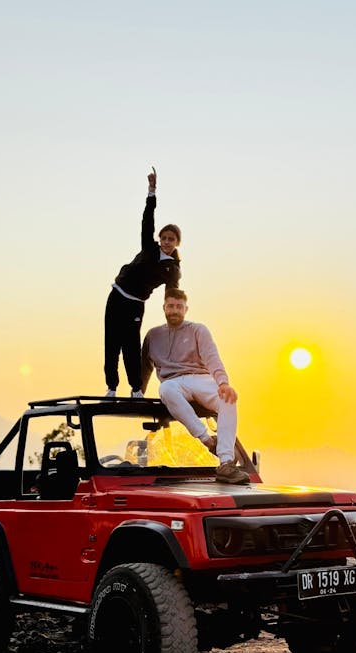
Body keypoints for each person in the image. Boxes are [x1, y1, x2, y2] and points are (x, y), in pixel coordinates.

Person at [141, 288, 250, 484]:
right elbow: (144, 368)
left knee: (228, 399)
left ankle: (226, 462)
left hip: (201, 378)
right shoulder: (152, 336)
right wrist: (138, 393)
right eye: (171, 306)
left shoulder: (198, 329)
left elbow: (212, 357)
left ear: (186, 309)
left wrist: (223, 383)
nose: (175, 310)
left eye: (179, 307)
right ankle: (208, 441)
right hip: (173, 382)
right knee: (165, 390)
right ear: (164, 308)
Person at [104, 168, 181, 398]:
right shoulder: (149, 248)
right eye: (164, 238)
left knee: (130, 345)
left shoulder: (173, 269)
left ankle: (136, 389)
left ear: (177, 242)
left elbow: (172, 293)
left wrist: (173, 316)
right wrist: (151, 191)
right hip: (117, 296)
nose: (166, 242)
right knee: (111, 344)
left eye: (171, 239)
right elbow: (147, 220)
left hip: (135, 304)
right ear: (159, 238)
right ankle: (111, 387)